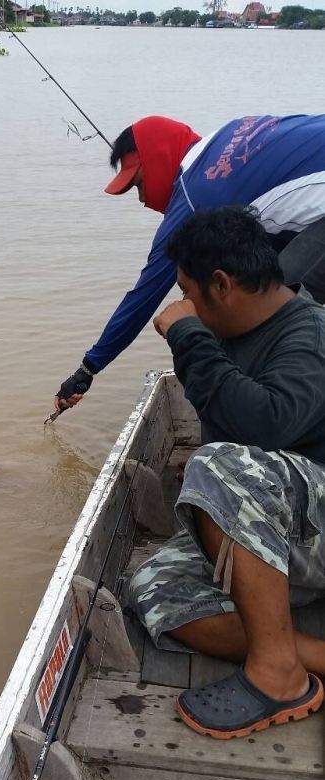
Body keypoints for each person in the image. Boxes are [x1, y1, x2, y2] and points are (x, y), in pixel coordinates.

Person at [128, 205, 325, 739]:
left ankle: (281, 676)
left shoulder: (309, 334)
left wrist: (189, 336)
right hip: (290, 535)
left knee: (215, 464)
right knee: (151, 589)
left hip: (314, 530)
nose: (181, 304)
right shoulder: (236, 331)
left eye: (188, 292)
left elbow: (261, 427)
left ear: (221, 284)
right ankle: (308, 653)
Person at [54, 113, 325, 412]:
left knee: (267, 307)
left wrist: (88, 368)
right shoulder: (225, 136)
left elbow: (143, 296)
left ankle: (269, 418)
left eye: (139, 184)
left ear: (158, 158)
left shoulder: (196, 193)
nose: (142, 199)